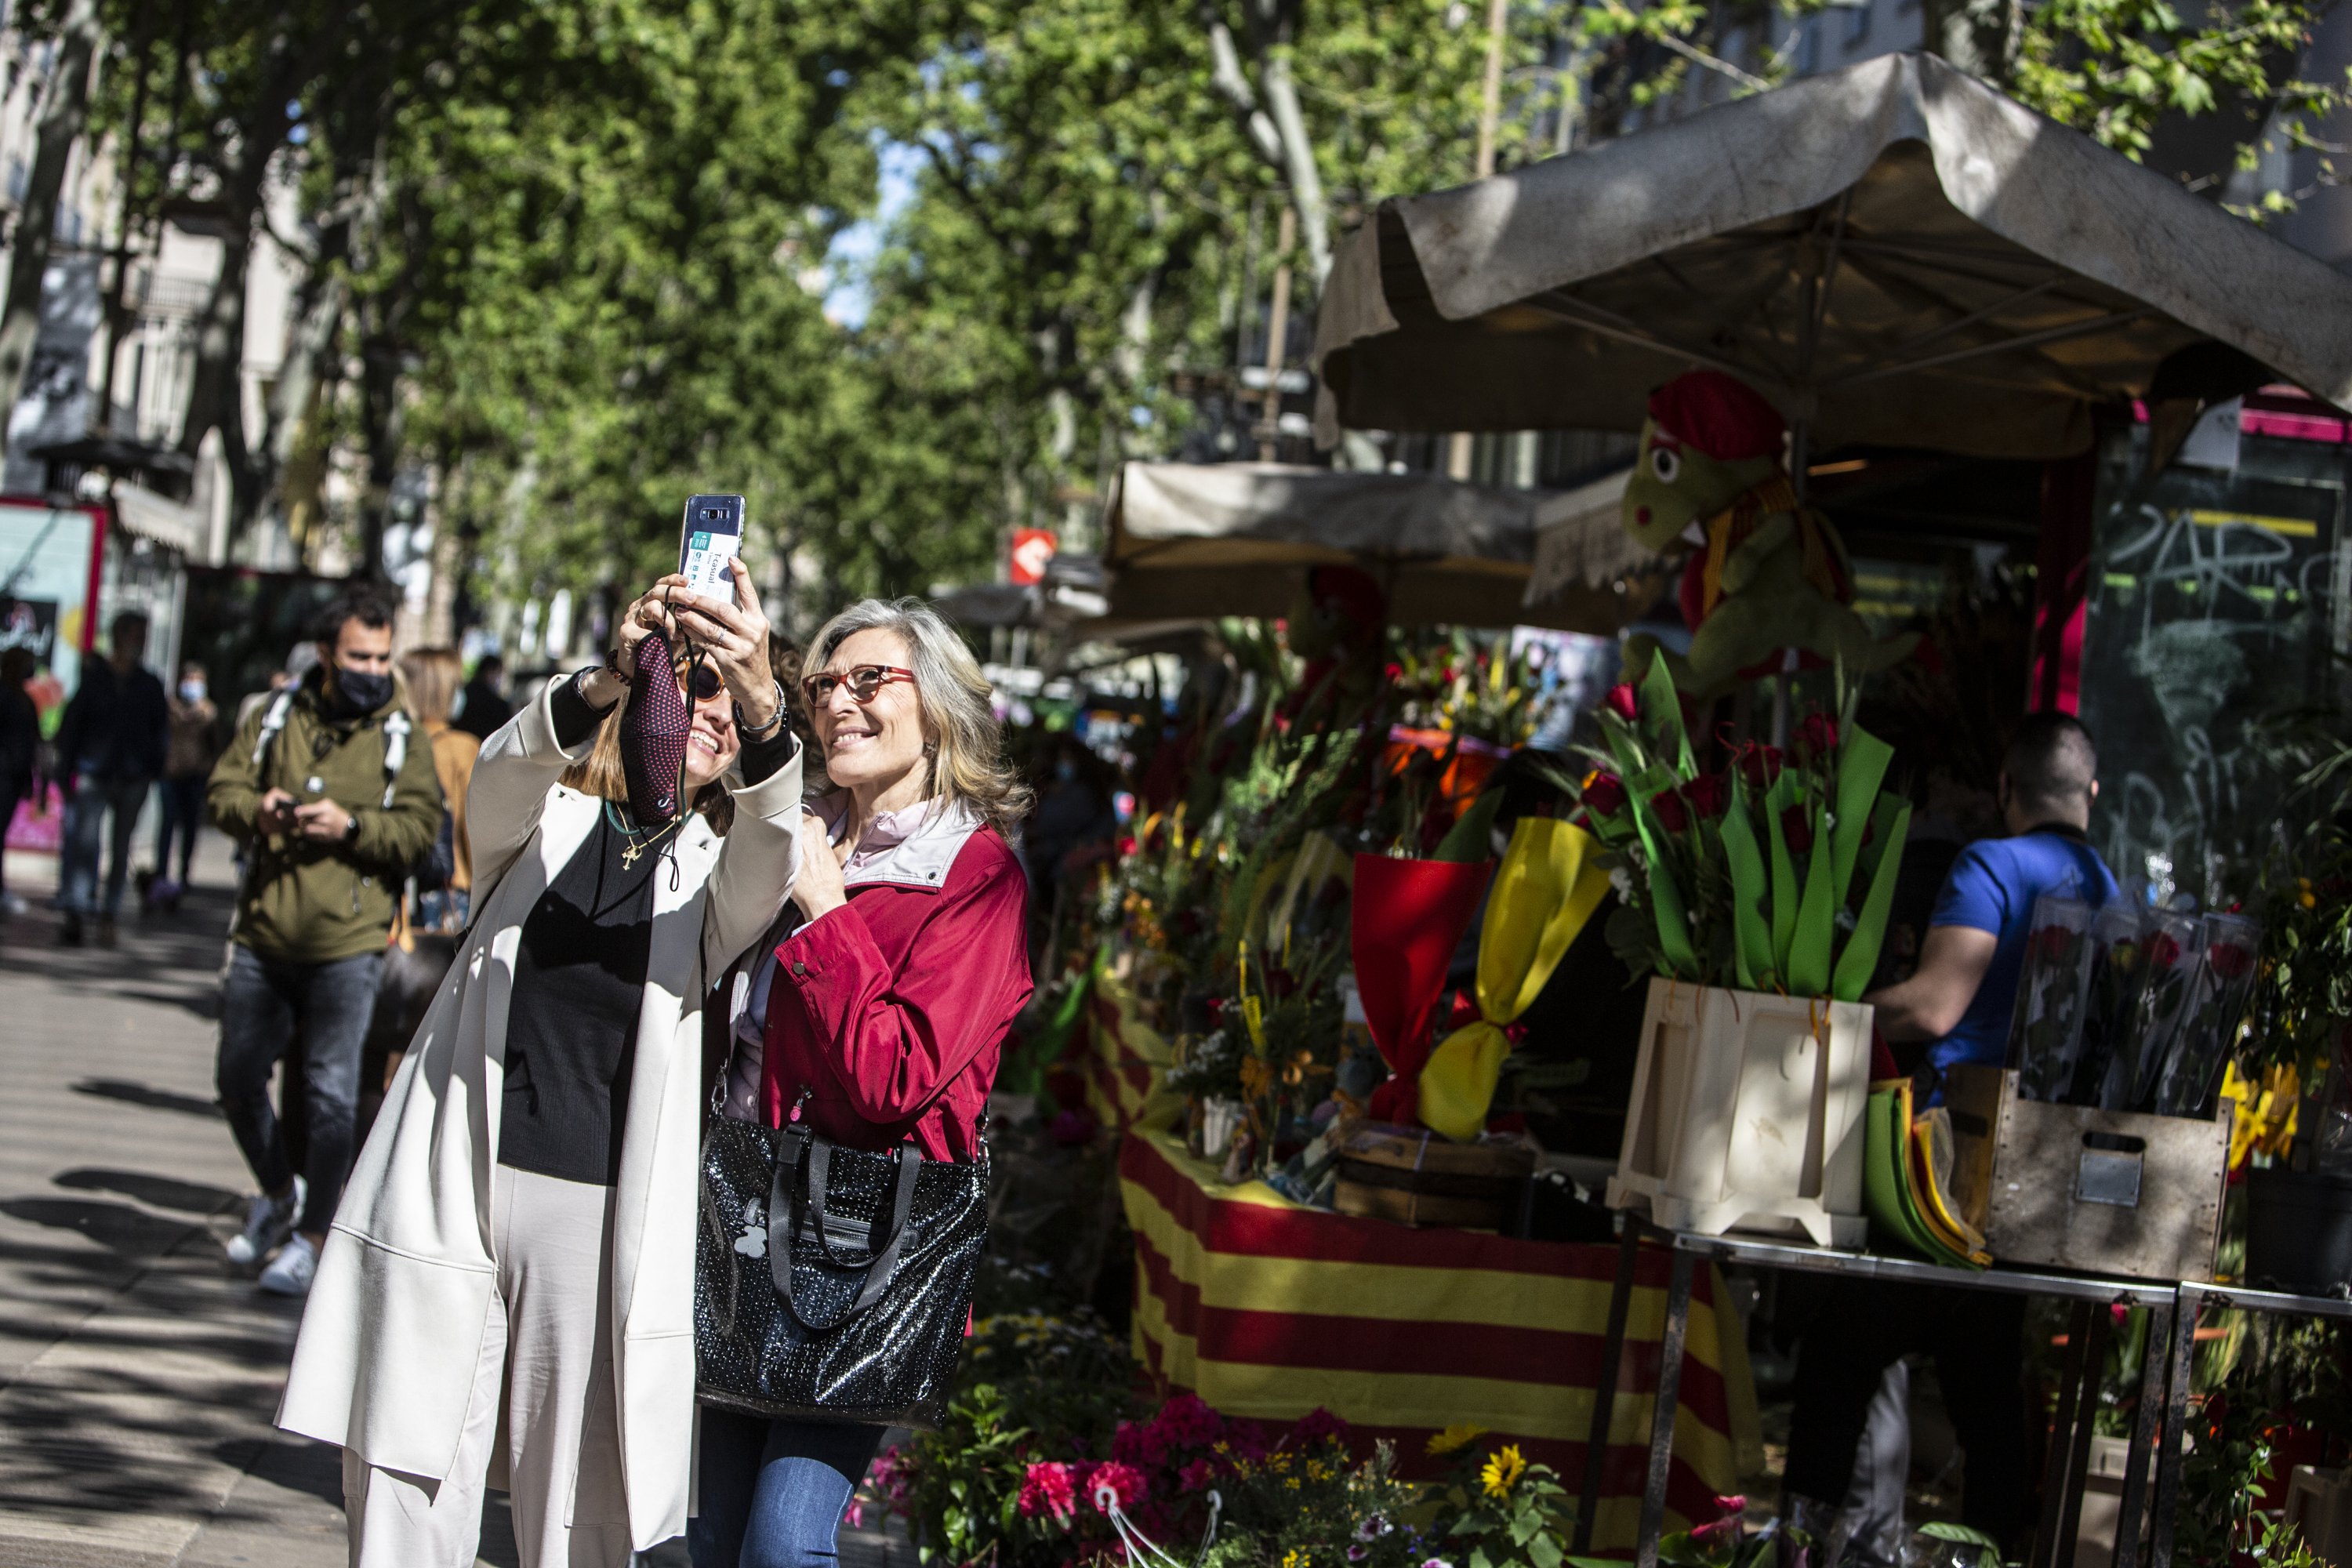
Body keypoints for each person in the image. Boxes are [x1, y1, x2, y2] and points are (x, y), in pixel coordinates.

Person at [278, 566, 802, 1568]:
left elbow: (774, 838)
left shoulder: (715, 881)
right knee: (403, 1467)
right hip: (455, 1184)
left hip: (598, 1213)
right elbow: (508, 765)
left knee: (576, 1509)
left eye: (730, 709)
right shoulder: (543, 823)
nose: (714, 717)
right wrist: (608, 672)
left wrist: (766, 697)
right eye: (694, 687)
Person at [696, 597, 1033, 1568]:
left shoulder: (975, 875)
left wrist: (828, 910)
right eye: (826, 684)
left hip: (866, 1245)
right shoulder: (795, 832)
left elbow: (894, 1075)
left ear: (938, 707)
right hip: (748, 1219)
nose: (841, 699)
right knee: (711, 1537)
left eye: (871, 679)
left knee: (783, 1543)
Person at [1781, 712, 2119, 1559]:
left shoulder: (1993, 864)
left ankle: (1794, 1544)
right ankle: (2004, 1546)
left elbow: (1935, 1005)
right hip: (2046, 1179)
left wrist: (1832, 1006)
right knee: (1984, 1372)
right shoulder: (2119, 896)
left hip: (1949, 1166)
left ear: (2006, 788)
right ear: (2092, 793)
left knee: (1842, 1352)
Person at [206, 589, 445, 1296]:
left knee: (332, 1095)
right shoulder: (278, 716)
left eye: (381, 655)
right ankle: (279, 1193)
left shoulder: (402, 736)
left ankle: (314, 1234)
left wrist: (349, 828)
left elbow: (417, 833)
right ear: (326, 655)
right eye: (358, 656)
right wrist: (263, 812)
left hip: (350, 942)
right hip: (264, 935)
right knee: (238, 1080)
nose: (373, 668)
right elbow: (222, 793)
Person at [53, 610, 170, 946]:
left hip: (133, 777)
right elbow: (73, 724)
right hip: (96, 772)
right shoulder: (97, 678)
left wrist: (153, 770)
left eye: (143, 636)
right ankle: (76, 910)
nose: (140, 642)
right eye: (135, 634)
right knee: (86, 844)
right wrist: (65, 770)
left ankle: (109, 914)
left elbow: (160, 732)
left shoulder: (149, 684)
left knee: (121, 849)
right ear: (119, 636)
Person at [397, 646, 481, 932]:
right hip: (449, 888)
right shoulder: (461, 747)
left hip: (396, 888)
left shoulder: (393, 741)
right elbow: (475, 828)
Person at [151, 660, 220, 911]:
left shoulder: (209, 713)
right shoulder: (169, 709)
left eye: (196, 681)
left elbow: (214, 748)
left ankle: (184, 873)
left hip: (195, 777)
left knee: (190, 827)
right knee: (167, 825)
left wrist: (208, 770)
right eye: (188, 680)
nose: (191, 685)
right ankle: (161, 873)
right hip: (170, 774)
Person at [0, 646, 38, 919]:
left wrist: (29, 780)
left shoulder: (25, 700)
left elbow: (32, 742)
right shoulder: (5, 697)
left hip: (15, 777)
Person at [453, 652, 513, 741]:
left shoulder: (463, 694)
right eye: (499, 672)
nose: (500, 678)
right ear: (489, 672)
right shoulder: (499, 705)